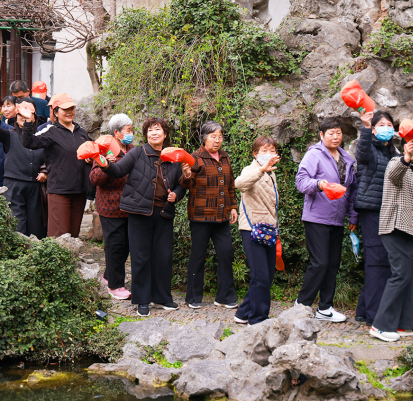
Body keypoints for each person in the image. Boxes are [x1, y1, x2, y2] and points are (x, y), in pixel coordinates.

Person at [97, 117, 194, 317]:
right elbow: (118, 170)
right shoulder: (136, 153)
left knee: (164, 257)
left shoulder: (174, 156)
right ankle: (142, 300)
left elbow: (181, 184)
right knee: (141, 257)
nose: (154, 133)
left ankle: (162, 297)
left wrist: (178, 191)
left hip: (164, 213)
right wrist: (105, 165)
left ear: (165, 134)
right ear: (146, 135)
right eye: (150, 131)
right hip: (138, 213)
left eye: (158, 130)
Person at [370, 124, 413, 343]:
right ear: (409, 148)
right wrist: (405, 158)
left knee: (411, 276)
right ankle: (380, 326)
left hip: (409, 231)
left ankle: (407, 324)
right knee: (400, 276)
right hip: (395, 228)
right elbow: (394, 176)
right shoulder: (397, 163)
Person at [295, 118, 358, 323]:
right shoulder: (315, 154)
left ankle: (325, 308)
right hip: (317, 218)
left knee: (332, 264)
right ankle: (302, 305)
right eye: (330, 133)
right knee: (320, 262)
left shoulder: (346, 159)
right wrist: (320, 184)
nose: (335, 136)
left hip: (337, 219)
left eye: (338, 132)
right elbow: (301, 181)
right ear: (321, 135)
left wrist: (353, 215)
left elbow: (351, 190)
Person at [21, 92, 92, 238]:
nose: (69, 112)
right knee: (59, 235)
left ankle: (72, 261)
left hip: (80, 191)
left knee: (74, 235)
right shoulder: (51, 131)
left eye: (71, 108)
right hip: (60, 191)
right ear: (56, 112)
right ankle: (55, 261)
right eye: (65, 109)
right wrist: (28, 122)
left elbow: (91, 152)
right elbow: (30, 142)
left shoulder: (82, 132)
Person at [185, 122, 239, 310]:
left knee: (226, 253)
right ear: (203, 138)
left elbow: (230, 184)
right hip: (200, 216)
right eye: (213, 136)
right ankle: (193, 297)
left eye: (220, 136)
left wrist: (233, 206)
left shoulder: (224, 157)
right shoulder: (196, 158)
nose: (217, 140)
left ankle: (224, 296)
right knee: (198, 255)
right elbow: (184, 183)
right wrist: (185, 175)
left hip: (222, 216)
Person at [0, 91, 47, 238]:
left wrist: (45, 171)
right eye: (20, 115)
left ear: (34, 117)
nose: (24, 118)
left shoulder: (41, 137)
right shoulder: (9, 135)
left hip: (34, 186)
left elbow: (49, 159)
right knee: (17, 224)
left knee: (36, 225)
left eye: (28, 115)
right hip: (14, 185)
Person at [354, 110, 400, 325]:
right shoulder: (370, 147)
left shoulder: (391, 151)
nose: (386, 128)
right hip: (372, 210)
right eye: (381, 124)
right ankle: (374, 316)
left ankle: (364, 310)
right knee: (377, 261)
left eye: (389, 124)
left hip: (387, 211)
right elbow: (361, 154)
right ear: (373, 129)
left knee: (381, 261)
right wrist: (364, 129)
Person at [234, 136, 281, 325]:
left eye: (272, 151)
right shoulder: (251, 169)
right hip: (252, 228)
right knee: (260, 275)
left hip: (268, 229)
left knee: (267, 276)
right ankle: (258, 319)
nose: (268, 155)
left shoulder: (272, 173)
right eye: (264, 151)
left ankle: (243, 313)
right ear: (255, 154)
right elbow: (240, 184)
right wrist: (261, 169)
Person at [89, 113, 135, 300]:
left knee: (125, 246)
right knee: (115, 245)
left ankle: (109, 276)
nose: (131, 134)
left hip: (129, 206)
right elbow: (94, 179)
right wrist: (106, 166)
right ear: (116, 133)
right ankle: (116, 286)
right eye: (128, 130)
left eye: (132, 130)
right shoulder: (104, 149)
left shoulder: (132, 149)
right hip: (110, 206)